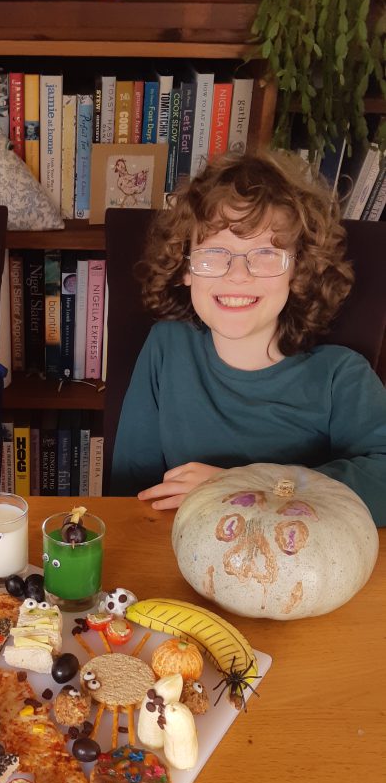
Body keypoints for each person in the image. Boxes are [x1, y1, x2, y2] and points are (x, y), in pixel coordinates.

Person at [110, 149, 386, 525]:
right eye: (212, 255)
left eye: (266, 254)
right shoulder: (166, 347)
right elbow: (131, 492)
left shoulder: (342, 375)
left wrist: (244, 486)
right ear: (186, 268)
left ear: (299, 268)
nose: (237, 275)